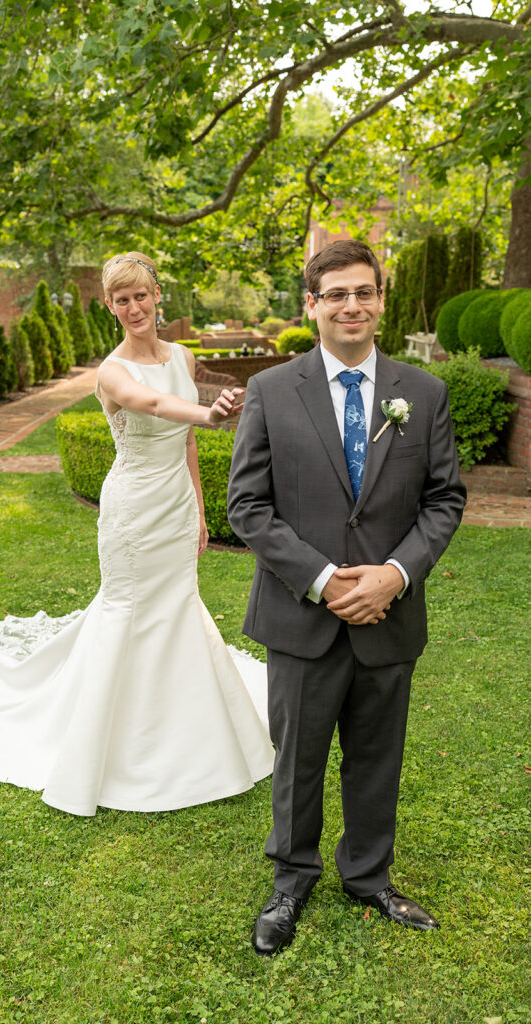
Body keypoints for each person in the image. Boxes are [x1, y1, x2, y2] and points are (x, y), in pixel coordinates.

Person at [0, 251, 274, 815]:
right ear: (109, 307)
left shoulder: (183, 356)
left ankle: (186, 720)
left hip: (174, 506)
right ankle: (114, 738)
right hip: (131, 511)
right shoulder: (112, 370)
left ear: (156, 295)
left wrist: (198, 507)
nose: (134, 307)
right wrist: (208, 412)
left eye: (141, 294)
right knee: (127, 609)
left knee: (178, 602)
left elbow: (187, 444)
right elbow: (152, 405)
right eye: (121, 299)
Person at [227, 239, 466, 956]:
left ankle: (368, 875)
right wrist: (326, 581)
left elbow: (445, 499)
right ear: (312, 304)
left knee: (376, 755)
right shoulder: (273, 391)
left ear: (381, 299)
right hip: (303, 616)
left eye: (364, 292)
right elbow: (248, 505)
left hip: (390, 617)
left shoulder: (424, 394)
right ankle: (291, 879)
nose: (351, 306)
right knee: (297, 757)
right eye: (335, 294)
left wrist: (395, 574)